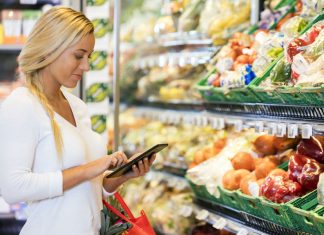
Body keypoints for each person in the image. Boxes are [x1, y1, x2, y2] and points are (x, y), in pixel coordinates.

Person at [0, 6, 155, 235]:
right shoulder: (22, 105)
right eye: (78, 55)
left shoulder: (77, 107)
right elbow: (13, 188)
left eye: (89, 57)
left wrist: (119, 177)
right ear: (51, 48)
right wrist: (91, 168)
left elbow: (83, 194)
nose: (86, 66)